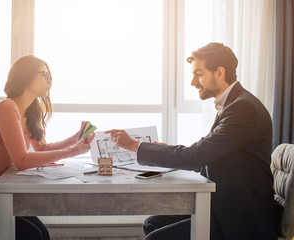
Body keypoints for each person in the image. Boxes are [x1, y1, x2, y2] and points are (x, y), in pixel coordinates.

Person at [105, 43, 281, 240]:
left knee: (156, 238)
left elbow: (196, 156)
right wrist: (162, 150)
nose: (192, 82)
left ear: (219, 73)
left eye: (198, 74)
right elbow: (208, 153)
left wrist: (133, 146)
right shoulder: (234, 103)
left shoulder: (242, 109)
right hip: (223, 202)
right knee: (152, 223)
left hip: (240, 215)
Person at [0, 55, 94, 240]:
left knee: (42, 234)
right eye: (44, 75)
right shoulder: (7, 107)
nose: (49, 81)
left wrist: (74, 140)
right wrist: (74, 151)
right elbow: (22, 161)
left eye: (50, 76)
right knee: (32, 236)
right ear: (26, 76)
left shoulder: (29, 112)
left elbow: (41, 149)